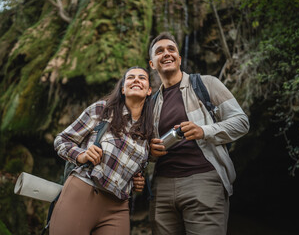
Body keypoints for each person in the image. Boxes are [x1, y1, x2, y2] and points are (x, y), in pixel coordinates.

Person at [148, 32, 250, 235]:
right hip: (161, 187)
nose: (166, 54)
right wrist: (151, 151)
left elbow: (241, 122)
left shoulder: (207, 84)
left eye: (171, 49)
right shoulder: (151, 103)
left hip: (203, 179)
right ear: (152, 64)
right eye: (159, 51)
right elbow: (143, 150)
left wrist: (203, 131)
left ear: (179, 57)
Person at [50, 66, 152, 235]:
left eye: (142, 78)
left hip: (118, 207)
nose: (136, 80)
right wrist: (81, 155)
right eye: (131, 77)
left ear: (149, 91)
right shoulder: (103, 110)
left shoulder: (148, 130)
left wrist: (136, 181)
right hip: (84, 191)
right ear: (122, 89)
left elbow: (132, 167)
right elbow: (62, 140)